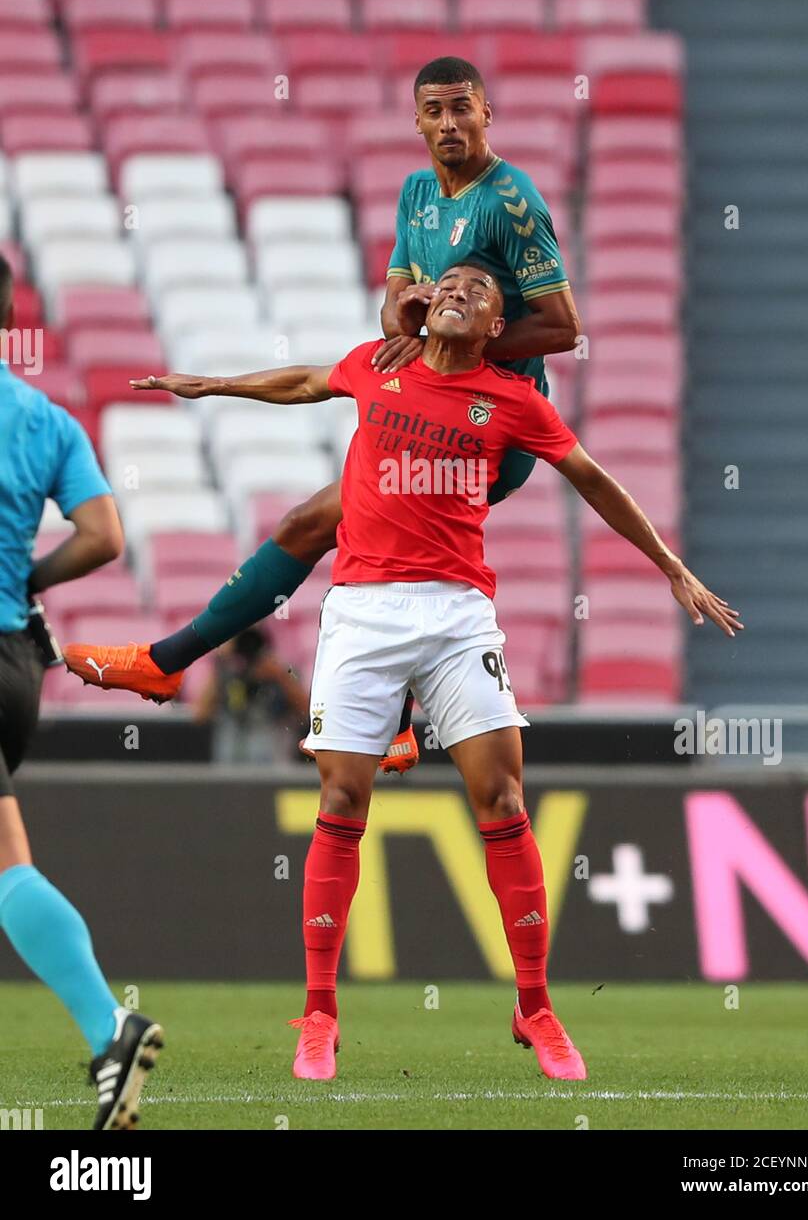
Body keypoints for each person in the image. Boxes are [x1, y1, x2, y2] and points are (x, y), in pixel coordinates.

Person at [125, 262, 742, 1082]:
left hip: (456, 616)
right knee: (342, 798)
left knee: (504, 798)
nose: (458, 291)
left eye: (479, 291)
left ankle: (535, 1007)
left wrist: (668, 565)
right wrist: (210, 385)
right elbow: (303, 382)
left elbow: (592, 479)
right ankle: (319, 1014)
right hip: (363, 612)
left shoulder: (516, 400)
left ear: (497, 329)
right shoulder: (379, 363)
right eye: (449, 282)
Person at [63, 55, 581, 774]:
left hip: (491, 425)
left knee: (350, 533)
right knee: (314, 525)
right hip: (432, 405)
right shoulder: (415, 196)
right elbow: (395, 298)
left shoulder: (511, 202)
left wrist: (450, 336)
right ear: (418, 120)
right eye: (435, 111)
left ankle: (174, 662)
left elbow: (561, 325)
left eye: (463, 108)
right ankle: (188, 667)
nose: (450, 123)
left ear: (487, 112)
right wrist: (404, 316)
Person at [0, 256, 163, 1129]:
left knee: (5, 867)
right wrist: (22, 578)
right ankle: (109, 1032)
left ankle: (110, 1025)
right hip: (16, 664)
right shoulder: (44, 419)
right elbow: (101, 537)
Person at [195, 627, 309, 765]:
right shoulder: (227, 670)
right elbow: (200, 714)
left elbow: (306, 712)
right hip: (229, 767)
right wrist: (221, 663)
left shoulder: (283, 670)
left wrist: (281, 677)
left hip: (274, 767)